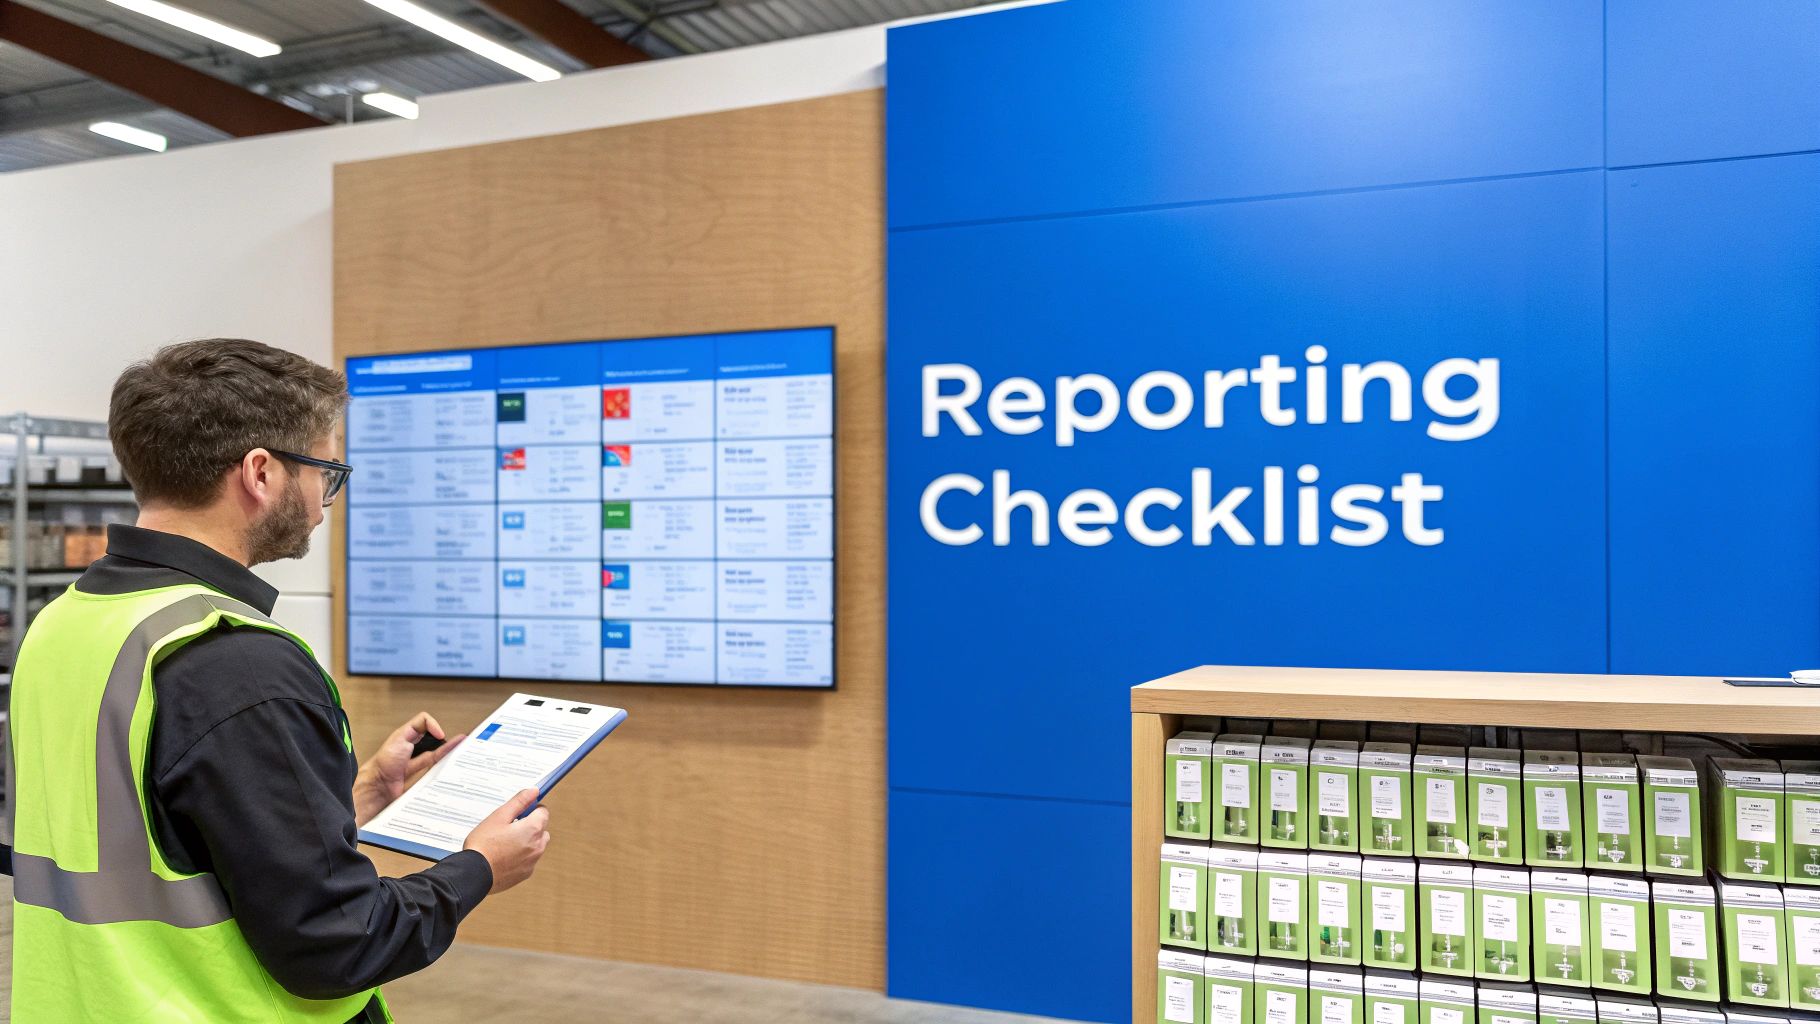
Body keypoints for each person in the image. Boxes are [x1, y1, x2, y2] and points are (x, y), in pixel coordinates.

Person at [4, 339, 552, 1022]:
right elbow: (337, 944)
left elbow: (157, 840)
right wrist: (479, 869)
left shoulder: (66, 624)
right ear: (260, 473)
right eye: (325, 469)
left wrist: (350, 801)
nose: (325, 502)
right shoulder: (238, 661)